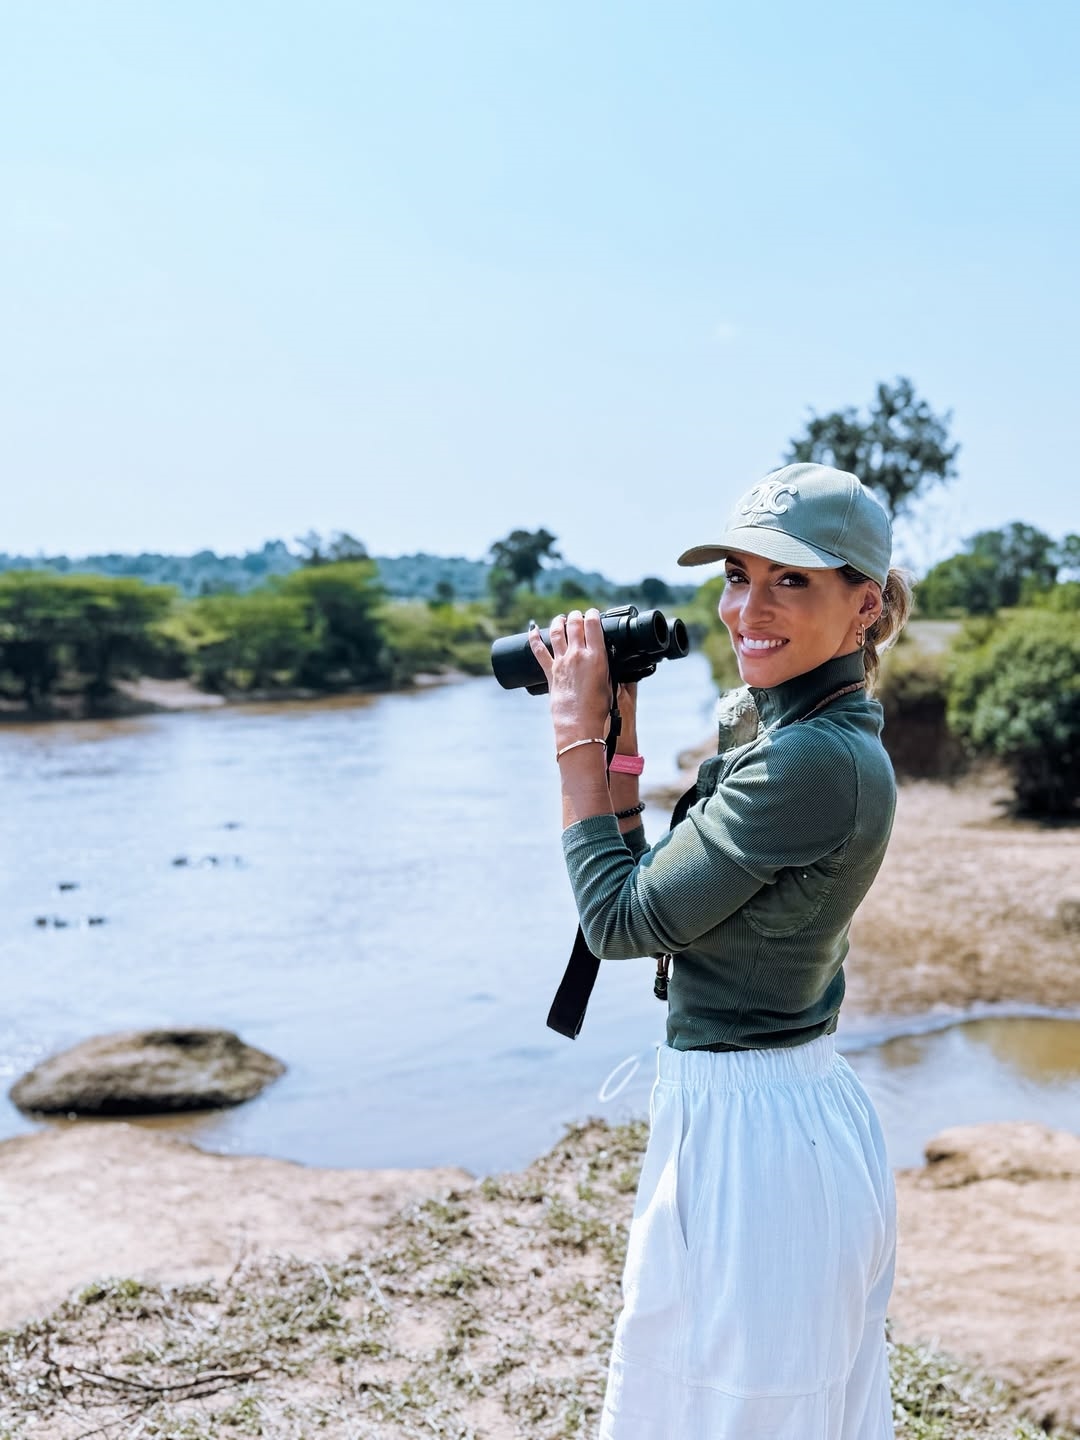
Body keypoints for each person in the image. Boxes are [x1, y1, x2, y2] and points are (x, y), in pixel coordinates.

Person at [527, 463, 912, 1440]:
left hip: (765, 1143)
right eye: (738, 576)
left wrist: (573, 740)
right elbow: (656, 886)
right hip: (745, 1113)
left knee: (749, 1414)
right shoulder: (788, 727)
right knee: (702, 1404)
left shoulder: (809, 760)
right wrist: (622, 743)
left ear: (864, 606)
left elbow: (618, 923)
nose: (750, 607)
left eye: (791, 581)